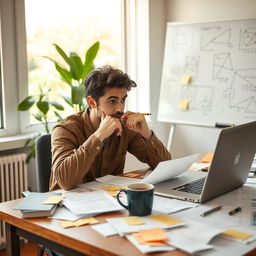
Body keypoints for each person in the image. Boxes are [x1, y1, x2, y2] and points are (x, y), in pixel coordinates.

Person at [49, 65, 171, 191]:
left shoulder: (125, 126)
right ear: (92, 102)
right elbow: (65, 181)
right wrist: (99, 135)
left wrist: (146, 134)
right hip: (65, 204)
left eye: (122, 100)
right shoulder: (65, 129)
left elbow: (165, 167)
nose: (120, 108)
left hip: (108, 199)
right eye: (112, 101)